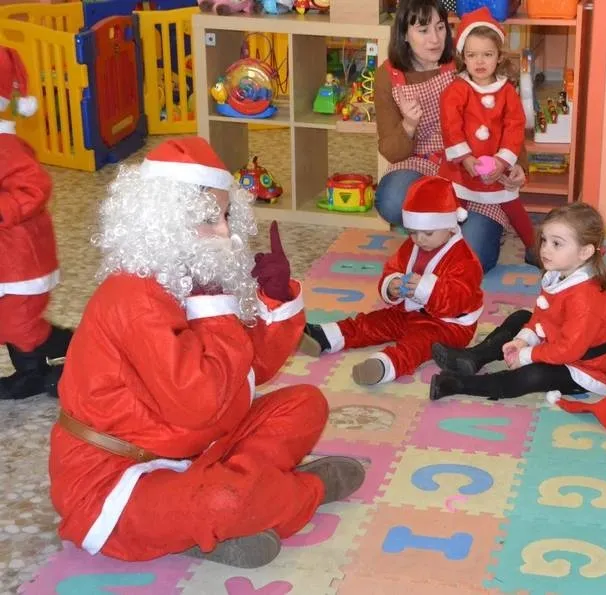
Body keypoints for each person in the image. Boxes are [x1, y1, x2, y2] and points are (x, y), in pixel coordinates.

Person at [48, 137, 365, 568]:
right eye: (206, 219)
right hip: (116, 475)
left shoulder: (196, 274)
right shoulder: (133, 297)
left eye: (226, 216)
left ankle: (228, 509)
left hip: (199, 445)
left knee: (306, 404)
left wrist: (273, 301)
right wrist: (218, 310)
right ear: (160, 222)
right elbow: (198, 403)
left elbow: (250, 371)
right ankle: (300, 492)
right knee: (222, 500)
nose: (224, 232)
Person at [373, 0, 526, 272]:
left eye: (440, 27)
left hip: (475, 169)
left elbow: (508, 118)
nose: (435, 39)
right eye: (423, 30)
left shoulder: (466, 59)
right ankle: (438, 230)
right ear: (403, 35)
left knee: (475, 257)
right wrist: (409, 123)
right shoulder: (389, 75)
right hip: (421, 163)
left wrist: (517, 165)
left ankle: (450, 230)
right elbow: (392, 151)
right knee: (391, 198)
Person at [429, 202, 606, 401]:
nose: (545, 249)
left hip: (587, 368)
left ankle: (458, 384)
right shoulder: (561, 271)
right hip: (562, 339)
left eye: (556, 244)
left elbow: (569, 350)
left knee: (534, 375)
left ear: (584, 252)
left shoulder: (587, 299)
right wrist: (523, 340)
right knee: (521, 317)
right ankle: (474, 357)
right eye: (545, 240)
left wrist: (527, 355)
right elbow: (542, 315)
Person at [301, 176, 483, 385]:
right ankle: (326, 336)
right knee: (374, 321)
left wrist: (425, 289)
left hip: (448, 325)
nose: (419, 240)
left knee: (418, 344)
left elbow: (459, 299)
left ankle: (384, 366)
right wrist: (391, 285)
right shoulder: (412, 245)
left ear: (451, 226)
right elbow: (394, 267)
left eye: (428, 233)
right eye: (413, 233)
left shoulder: (465, 259)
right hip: (409, 311)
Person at [0, 46, 72, 400]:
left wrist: (4, 208)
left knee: (18, 320)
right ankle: (70, 348)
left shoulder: (6, 146)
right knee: (11, 318)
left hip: (19, 257)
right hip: (6, 258)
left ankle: (33, 371)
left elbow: (34, 186)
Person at [439, 7, 536, 264]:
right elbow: (451, 126)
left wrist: (504, 161)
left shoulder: (506, 91)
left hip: (496, 163)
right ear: (462, 57)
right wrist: (466, 159)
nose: (479, 62)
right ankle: (440, 251)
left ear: (499, 56)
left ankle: (534, 247)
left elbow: (515, 126)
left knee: (512, 203)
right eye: (472, 55)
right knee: (450, 208)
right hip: (462, 167)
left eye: (487, 55)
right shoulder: (457, 90)